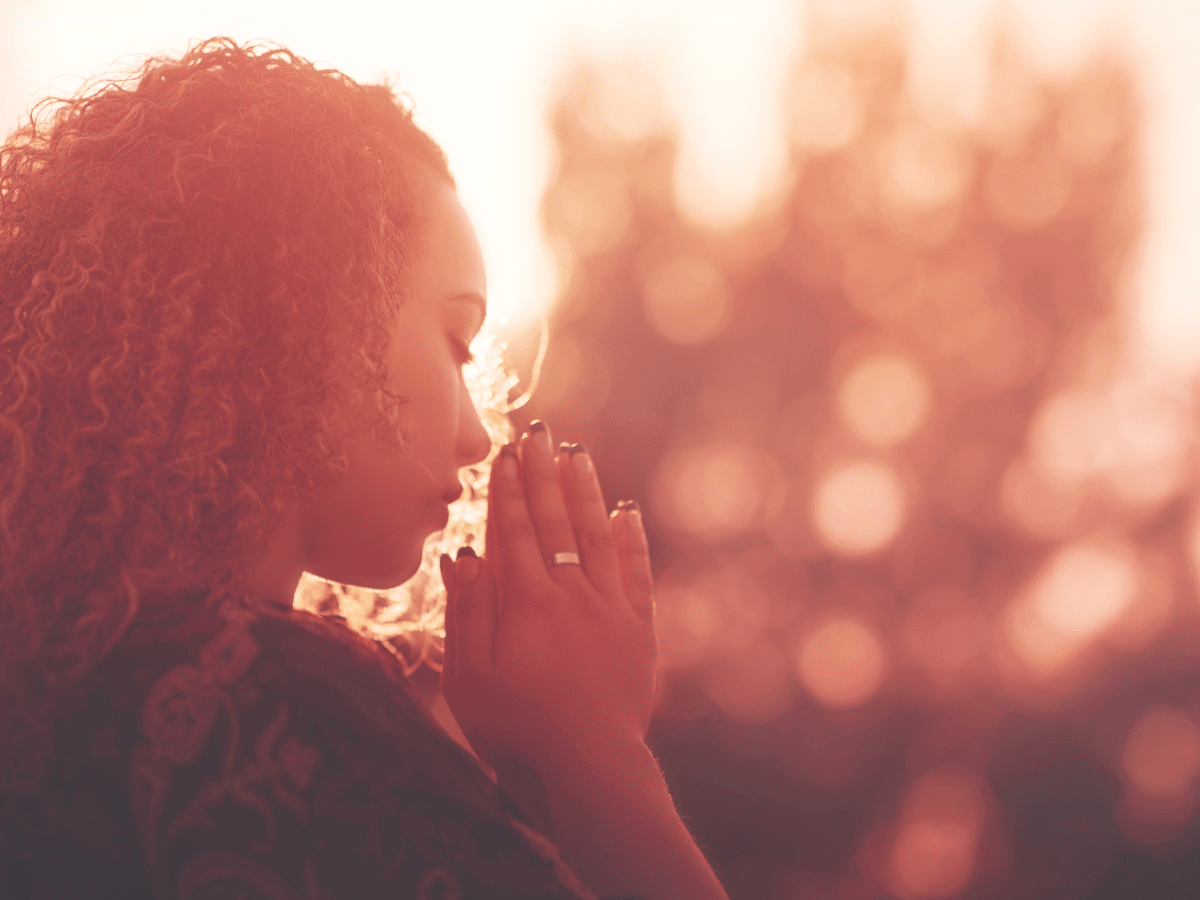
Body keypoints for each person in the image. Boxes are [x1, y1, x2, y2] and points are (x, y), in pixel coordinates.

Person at [0, 38, 729, 900]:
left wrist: (539, 800)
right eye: (456, 341)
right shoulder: (279, 702)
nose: (477, 438)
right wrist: (599, 759)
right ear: (314, 312)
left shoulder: (58, 677)